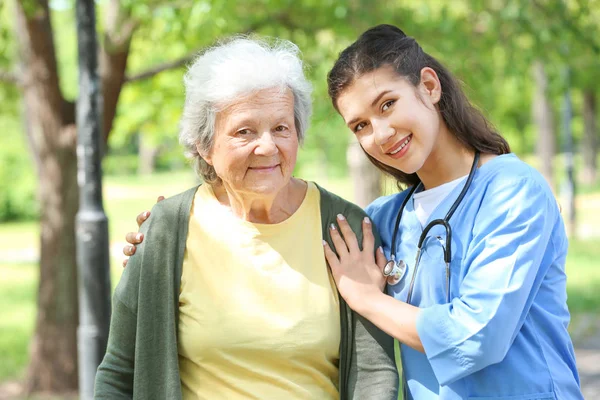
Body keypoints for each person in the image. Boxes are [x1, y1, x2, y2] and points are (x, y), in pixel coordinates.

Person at [125, 25, 584, 399]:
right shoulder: (384, 219)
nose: (381, 134)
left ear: (428, 86)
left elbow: (477, 337)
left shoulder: (513, 191)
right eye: (361, 125)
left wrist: (369, 299)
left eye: (388, 104)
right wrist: (161, 237)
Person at [95, 37, 398, 399]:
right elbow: (119, 372)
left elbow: (373, 373)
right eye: (244, 131)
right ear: (205, 147)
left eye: (282, 128)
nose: (268, 147)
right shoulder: (166, 230)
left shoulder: (342, 226)